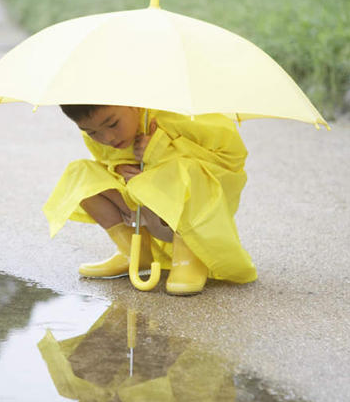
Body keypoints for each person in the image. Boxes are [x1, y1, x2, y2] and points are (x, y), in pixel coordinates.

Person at [43, 104, 256, 295]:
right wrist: (116, 168)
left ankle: (189, 259)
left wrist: (162, 151)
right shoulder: (101, 133)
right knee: (81, 173)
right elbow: (105, 159)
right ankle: (134, 254)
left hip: (189, 214)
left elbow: (232, 159)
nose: (107, 138)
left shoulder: (180, 116)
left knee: (185, 170)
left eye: (113, 124)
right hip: (140, 208)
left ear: (133, 105)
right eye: (91, 132)